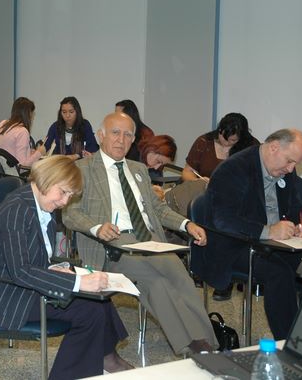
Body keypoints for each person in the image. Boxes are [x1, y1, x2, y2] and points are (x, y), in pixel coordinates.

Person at [0, 155, 132, 380]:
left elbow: (36, 258)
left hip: (18, 285)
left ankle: (107, 358)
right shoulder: (16, 209)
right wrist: (77, 281)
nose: (65, 202)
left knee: (100, 300)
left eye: (70, 196)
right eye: (63, 192)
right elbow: (20, 271)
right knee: (90, 311)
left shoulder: (41, 205)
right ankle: (91, 367)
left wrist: (59, 269)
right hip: (0, 294)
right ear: (46, 179)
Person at [63, 112, 217, 355]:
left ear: (133, 140)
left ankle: (208, 343)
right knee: (156, 283)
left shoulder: (138, 169)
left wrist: (187, 224)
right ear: (101, 136)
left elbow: (158, 209)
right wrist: (97, 228)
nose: (121, 140)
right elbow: (70, 213)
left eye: (128, 135)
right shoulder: (82, 169)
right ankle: (193, 347)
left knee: (181, 277)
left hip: (150, 241)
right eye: (115, 133)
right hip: (113, 244)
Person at [200, 129, 302, 339]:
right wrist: (268, 231)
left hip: (275, 243)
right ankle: (289, 342)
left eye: (295, 164)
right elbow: (223, 219)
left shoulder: (285, 170)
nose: (291, 169)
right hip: (235, 244)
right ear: (274, 148)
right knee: (279, 273)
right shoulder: (233, 169)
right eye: (290, 161)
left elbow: (296, 206)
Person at [182, 112, 259, 182]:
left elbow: (258, 178)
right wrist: (197, 181)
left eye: (232, 140)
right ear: (219, 129)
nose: (225, 142)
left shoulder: (251, 147)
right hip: (204, 190)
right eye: (222, 136)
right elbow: (187, 172)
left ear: (241, 138)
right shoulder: (204, 142)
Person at [0, 97, 45, 167]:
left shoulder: (2, 124)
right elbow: (22, 165)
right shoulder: (22, 131)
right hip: (13, 173)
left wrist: (27, 152)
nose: (32, 117)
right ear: (28, 114)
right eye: (32, 114)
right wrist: (39, 153)